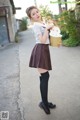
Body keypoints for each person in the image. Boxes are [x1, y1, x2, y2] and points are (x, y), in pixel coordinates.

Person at [26, 6, 56, 115]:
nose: (36, 14)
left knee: (45, 77)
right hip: (40, 50)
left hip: (44, 50)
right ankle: (44, 103)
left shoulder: (42, 23)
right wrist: (47, 29)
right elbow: (42, 40)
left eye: (37, 12)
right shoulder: (36, 26)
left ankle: (45, 102)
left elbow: (48, 38)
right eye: (33, 14)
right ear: (31, 17)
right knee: (45, 77)